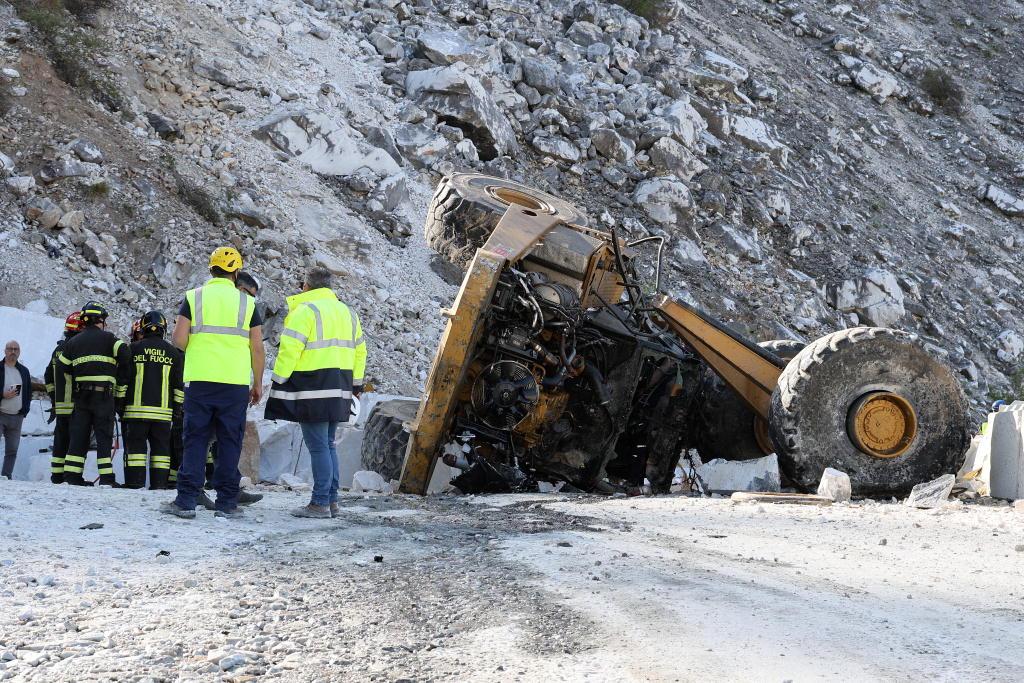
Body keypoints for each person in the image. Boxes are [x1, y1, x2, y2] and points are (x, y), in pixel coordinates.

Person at [161, 247, 264, 519]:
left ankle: (185, 502)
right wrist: (257, 383)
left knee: (195, 440)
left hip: (200, 380)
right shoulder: (248, 304)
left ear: (211, 269)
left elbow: (179, 340)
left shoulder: (194, 298)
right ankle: (227, 504)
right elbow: (257, 349)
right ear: (236, 272)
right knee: (230, 441)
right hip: (235, 383)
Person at [265, 266, 366, 519]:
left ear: (306, 286)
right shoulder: (348, 313)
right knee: (328, 444)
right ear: (330, 287)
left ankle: (320, 502)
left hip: (313, 388)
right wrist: (356, 386)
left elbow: (290, 349)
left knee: (319, 446)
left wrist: (278, 379)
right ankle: (331, 501)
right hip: (340, 386)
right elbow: (360, 352)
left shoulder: (305, 311)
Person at [197, 269, 263, 510]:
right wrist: (256, 383)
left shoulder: (211, 302)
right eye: (249, 294)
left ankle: (228, 486)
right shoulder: (218, 305)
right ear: (238, 285)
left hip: (212, 379)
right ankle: (208, 490)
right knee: (210, 439)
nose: (251, 301)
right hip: (218, 381)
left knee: (217, 440)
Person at [57, 302, 131, 486]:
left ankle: (72, 477)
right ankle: (106, 479)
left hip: (81, 397)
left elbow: (62, 367)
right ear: (101, 320)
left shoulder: (73, 342)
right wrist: (118, 387)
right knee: (104, 438)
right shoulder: (110, 339)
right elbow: (126, 356)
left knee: (79, 437)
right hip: (103, 397)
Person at [121, 311, 184, 489]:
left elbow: (123, 380)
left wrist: (118, 403)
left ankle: (135, 483)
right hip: (163, 415)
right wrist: (177, 409)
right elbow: (178, 386)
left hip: (135, 412)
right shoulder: (173, 353)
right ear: (163, 330)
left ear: (143, 328)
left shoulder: (132, 349)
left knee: (136, 449)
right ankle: (158, 485)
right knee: (161, 451)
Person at [44, 312, 83, 483]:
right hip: (76, 406)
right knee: (76, 442)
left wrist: (54, 397)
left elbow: (48, 377)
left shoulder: (57, 350)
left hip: (61, 406)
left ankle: (57, 476)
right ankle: (72, 477)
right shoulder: (78, 349)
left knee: (60, 441)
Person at [1, 340, 32, 479]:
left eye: (16, 349)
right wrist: (3, 395)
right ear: (5, 351)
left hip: (17, 417)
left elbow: (28, 392)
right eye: (10, 349)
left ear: (19, 352)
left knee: (12, 450)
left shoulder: (24, 371)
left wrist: (24, 411)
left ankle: (6, 476)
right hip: (1, 414)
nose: (13, 351)